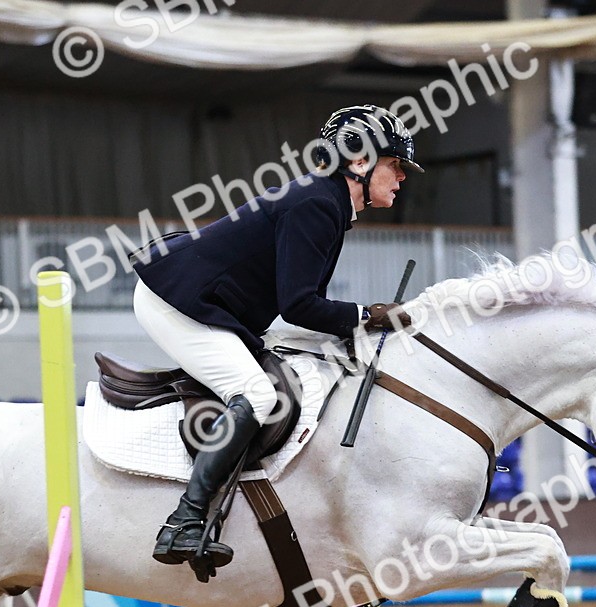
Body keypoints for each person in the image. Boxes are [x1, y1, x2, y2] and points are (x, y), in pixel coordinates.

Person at [132, 104, 423, 575]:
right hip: (177, 300)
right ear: (359, 160)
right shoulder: (317, 204)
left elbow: (301, 307)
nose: (402, 176)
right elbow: (300, 306)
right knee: (257, 394)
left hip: (213, 303)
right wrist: (366, 315)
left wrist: (359, 325)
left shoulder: (328, 203)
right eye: (395, 164)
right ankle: (184, 520)